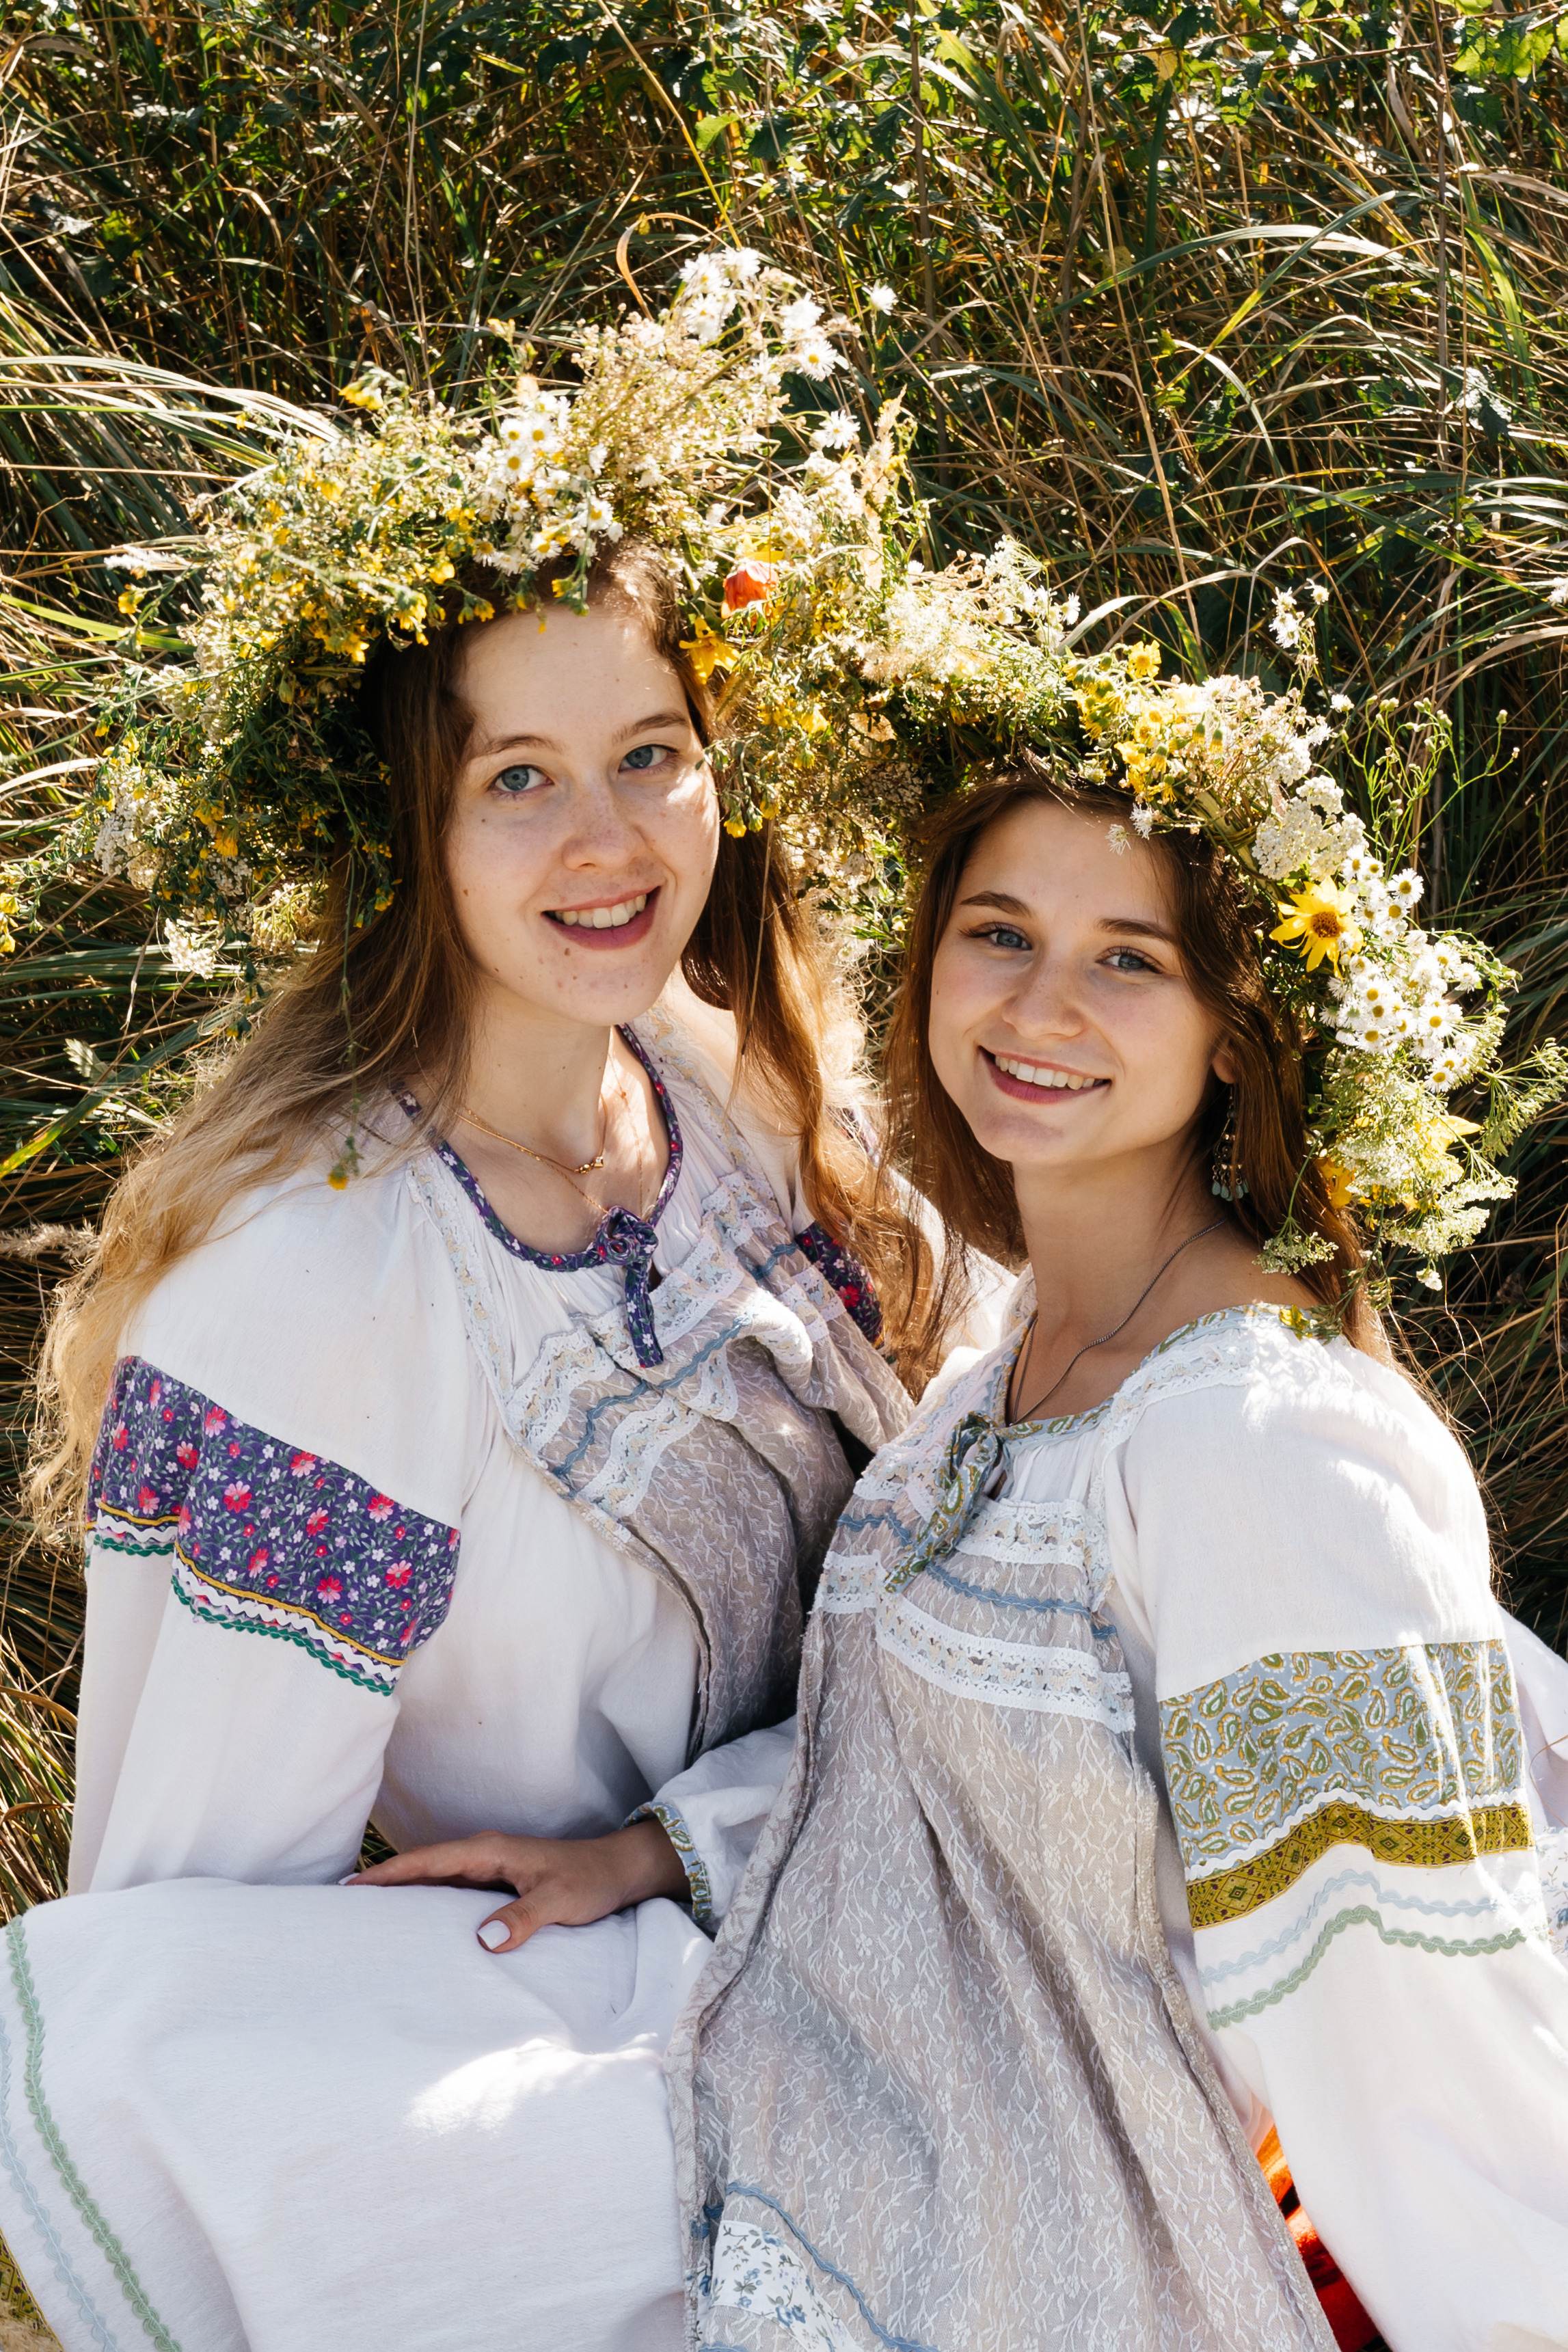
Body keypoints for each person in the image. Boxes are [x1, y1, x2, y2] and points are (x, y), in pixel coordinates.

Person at [0, 260, 972, 2352]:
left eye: (648, 753)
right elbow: (199, 1951)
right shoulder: (317, 1282)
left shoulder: (740, 1105)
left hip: (835, 1906)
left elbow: (990, 1518)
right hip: (595, 2062)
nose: (607, 840)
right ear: (408, 837)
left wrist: (676, 1844)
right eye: (516, 780)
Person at [661, 755, 1568, 2352]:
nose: (1040, 1004)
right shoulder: (1013, 1343)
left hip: (1073, 2235)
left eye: (1128, 959)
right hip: (846, 2084)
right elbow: (920, 1770)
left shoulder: (1252, 1449)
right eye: (998, 931)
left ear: (1236, 1032)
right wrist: (656, 1849)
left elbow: (1404, 2003)